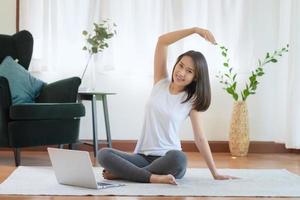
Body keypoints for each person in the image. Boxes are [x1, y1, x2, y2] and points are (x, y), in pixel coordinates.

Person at [98, 27, 237, 185]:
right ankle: (150, 177)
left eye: (189, 71)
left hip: (168, 159)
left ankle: (127, 174)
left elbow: (200, 138)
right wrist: (194, 30)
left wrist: (215, 173)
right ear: (176, 63)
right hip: (141, 157)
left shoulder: (192, 100)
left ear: (196, 78)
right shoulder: (160, 82)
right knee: (103, 154)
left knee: (179, 158)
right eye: (181, 65)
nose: (181, 72)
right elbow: (162, 42)